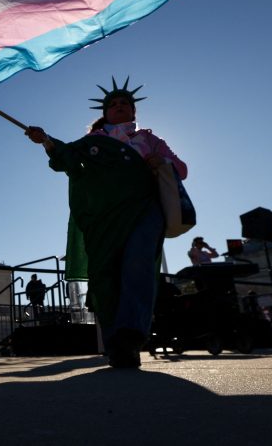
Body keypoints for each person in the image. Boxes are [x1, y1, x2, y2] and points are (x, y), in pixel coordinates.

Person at [26, 77, 187, 368]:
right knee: (106, 276)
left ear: (134, 111)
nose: (119, 106)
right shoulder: (93, 141)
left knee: (138, 263)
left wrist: (161, 162)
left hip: (143, 210)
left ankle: (131, 334)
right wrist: (46, 140)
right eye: (113, 104)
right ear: (105, 112)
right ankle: (117, 345)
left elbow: (182, 169)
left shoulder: (150, 140)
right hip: (103, 217)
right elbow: (66, 158)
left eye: (125, 103)